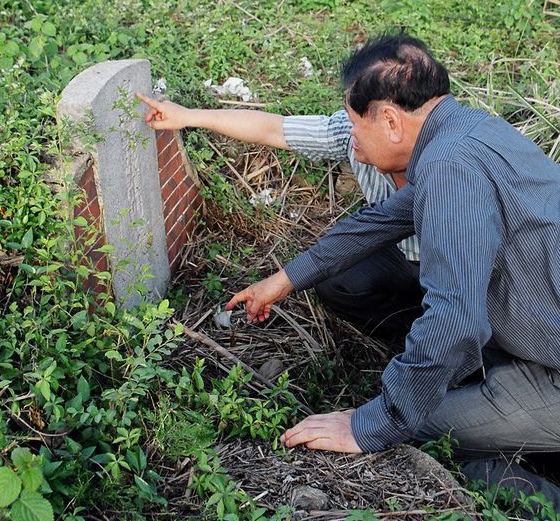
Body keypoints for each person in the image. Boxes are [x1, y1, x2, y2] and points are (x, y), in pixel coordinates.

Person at [225, 33, 560, 521]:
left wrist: (373, 423)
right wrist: (285, 279)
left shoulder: (449, 164)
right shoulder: (465, 132)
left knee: (424, 430)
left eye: (356, 127)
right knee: (438, 373)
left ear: (390, 121)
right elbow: (379, 222)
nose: (354, 140)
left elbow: (455, 323)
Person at [134, 92, 423, 338]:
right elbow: (274, 128)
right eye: (349, 119)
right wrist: (188, 116)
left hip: (447, 261)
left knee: (452, 310)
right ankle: (412, 334)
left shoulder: (443, 162)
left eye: (359, 123)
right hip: (399, 252)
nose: (350, 133)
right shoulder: (352, 132)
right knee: (334, 281)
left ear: (392, 121)